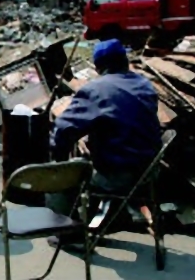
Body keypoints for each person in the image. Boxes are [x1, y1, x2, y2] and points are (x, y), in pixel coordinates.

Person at [47, 38, 161, 246]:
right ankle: (112, 215)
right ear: (124, 61)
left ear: (99, 66)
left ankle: (70, 236)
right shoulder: (145, 85)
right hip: (149, 170)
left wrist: (59, 158)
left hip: (119, 174)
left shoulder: (96, 90)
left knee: (60, 180)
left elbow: (63, 130)